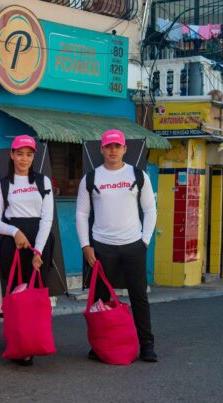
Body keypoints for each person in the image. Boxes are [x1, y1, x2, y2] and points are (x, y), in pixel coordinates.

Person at [76, 129, 158, 362]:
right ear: (102, 149)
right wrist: (85, 245)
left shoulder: (138, 175)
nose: (113, 150)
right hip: (102, 247)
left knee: (139, 296)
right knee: (99, 300)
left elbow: (150, 210)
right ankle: (99, 345)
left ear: (124, 149)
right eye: (108, 146)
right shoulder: (90, 178)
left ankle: (147, 345)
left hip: (133, 244)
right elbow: (82, 214)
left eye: (117, 146)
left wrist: (145, 240)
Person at [0, 135, 54, 367]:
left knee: (35, 295)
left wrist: (38, 250)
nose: (24, 159)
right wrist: (14, 231)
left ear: (34, 156)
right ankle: (18, 344)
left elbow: (47, 218)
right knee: (17, 296)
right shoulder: (2, 184)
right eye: (20, 153)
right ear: (12, 155)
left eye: (29, 154)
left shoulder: (43, 181)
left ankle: (35, 342)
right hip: (13, 245)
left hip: (40, 242)